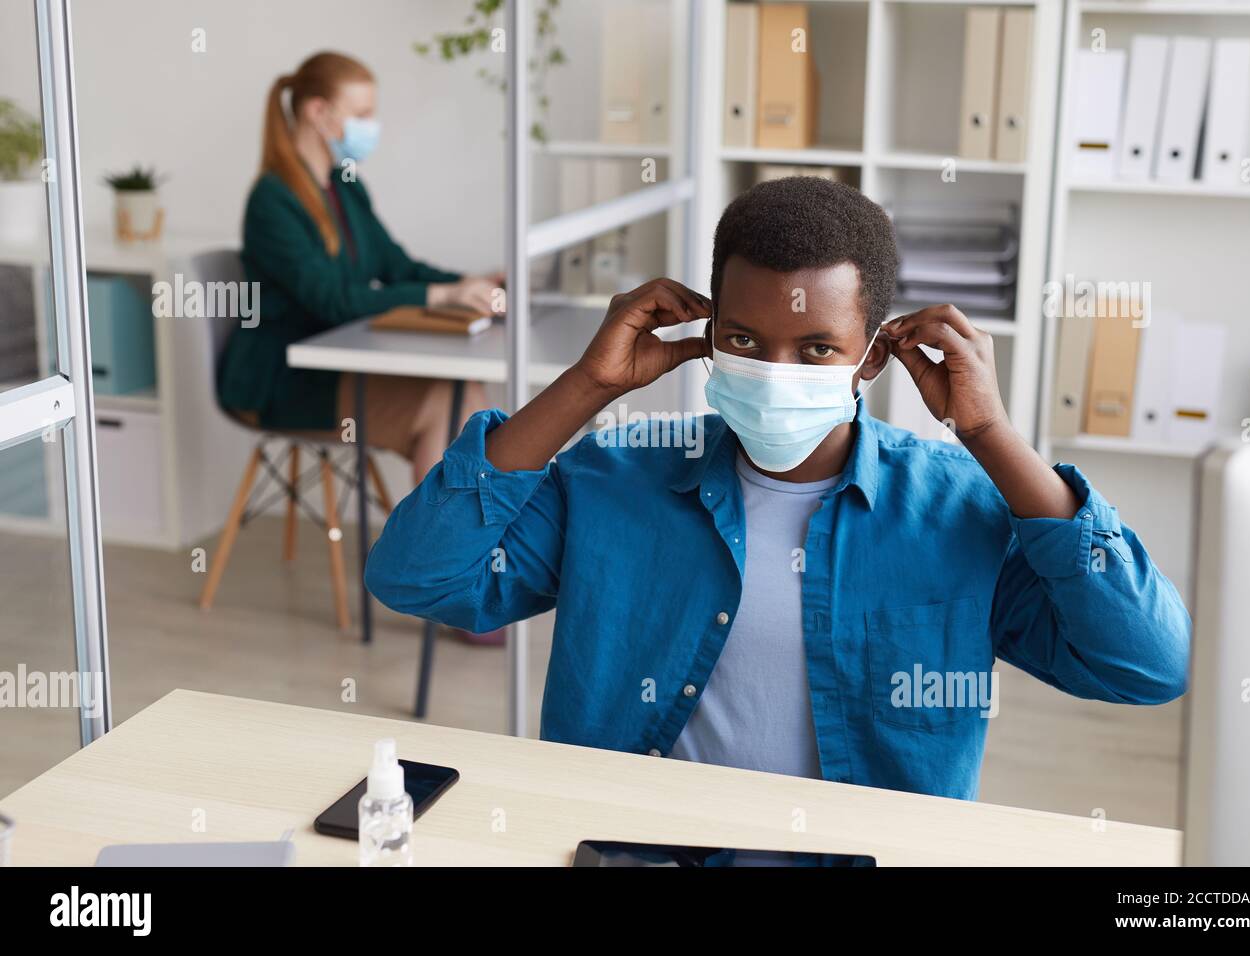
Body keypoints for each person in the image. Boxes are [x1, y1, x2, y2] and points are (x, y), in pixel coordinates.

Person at [365, 176, 1190, 799]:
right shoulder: (616, 480)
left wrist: (991, 438)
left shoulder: (958, 511)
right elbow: (416, 576)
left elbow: (1148, 666)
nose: (773, 369)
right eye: (745, 338)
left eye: (816, 348)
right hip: (640, 844)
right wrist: (588, 385)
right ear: (709, 334)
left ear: (873, 354)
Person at [218, 51, 496, 486]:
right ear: (318, 112)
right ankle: (434, 550)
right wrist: (445, 296)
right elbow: (333, 300)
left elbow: (396, 266)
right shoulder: (273, 199)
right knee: (450, 403)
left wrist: (467, 284)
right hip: (281, 377)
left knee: (468, 399)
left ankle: (448, 547)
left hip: (336, 360)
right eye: (363, 114)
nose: (372, 126)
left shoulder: (345, 186)